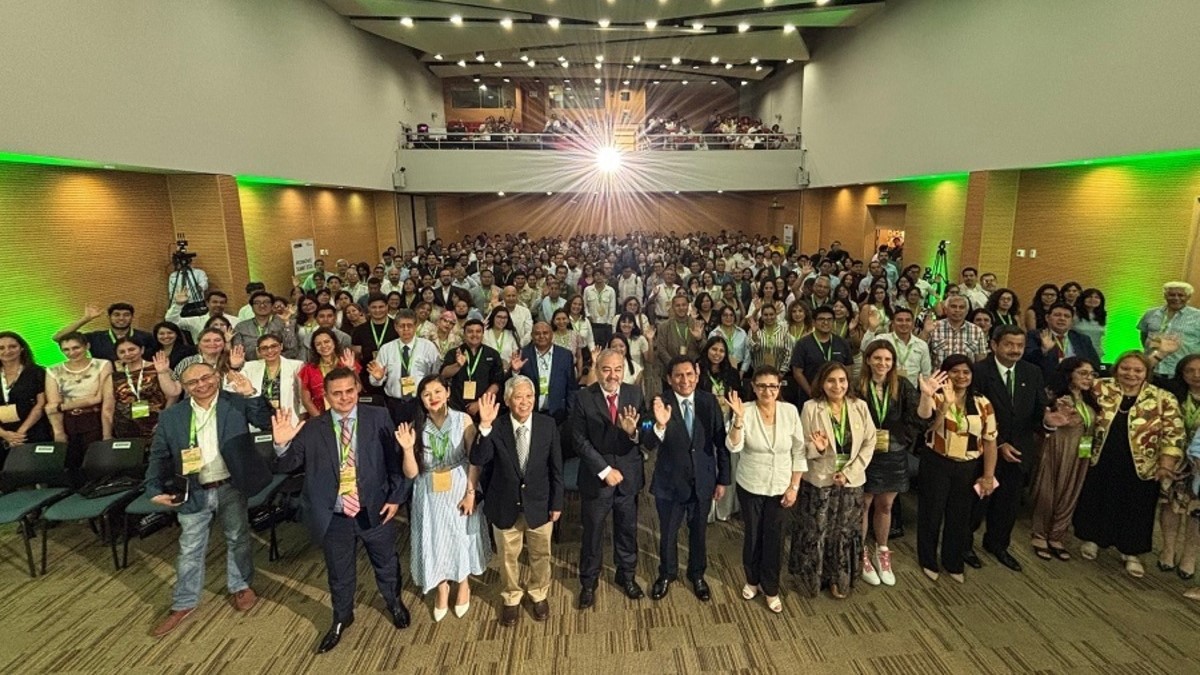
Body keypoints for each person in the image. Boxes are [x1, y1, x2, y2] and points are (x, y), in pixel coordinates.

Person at [270, 367, 410, 652]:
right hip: (335, 516)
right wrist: (281, 444)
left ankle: (394, 602)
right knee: (339, 572)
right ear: (326, 396)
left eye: (350, 391)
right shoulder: (313, 427)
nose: (345, 398)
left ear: (358, 389)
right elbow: (287, 466)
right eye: (337, 393)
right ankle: (341, 617)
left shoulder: (379, 417)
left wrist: (396, 498)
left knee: (386, 563)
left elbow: (394, 463)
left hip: (375, 510)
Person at [144, 364, 274, 638]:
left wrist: (251, 393)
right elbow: (158, 455)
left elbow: (266, 421)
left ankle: (240, 586)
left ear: (216, 377)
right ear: (184, 386)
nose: (201, 384)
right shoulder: (172, 416)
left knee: (237, 538)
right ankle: (184, 603)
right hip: (193, 490)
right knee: (189, 547)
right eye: (192, 382)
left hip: (230, 485)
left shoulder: (237, 403)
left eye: (206, 377)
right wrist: (153, 487)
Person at [1074, 352, 1185, 577]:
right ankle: (1093, 539)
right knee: (1098, 497)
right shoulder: (1099, 387)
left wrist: (1166, 464)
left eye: (1137, 370)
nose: (1131, 374)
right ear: (1116, 369)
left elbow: (1174, 433)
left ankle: (1131, 552)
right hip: (1101, 457)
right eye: (1125, 368)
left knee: (1136, 506)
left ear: (1147, 373)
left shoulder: (1163, 397)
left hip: (1143, 463)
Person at [395, 377, 490, 621]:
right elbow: (412, 472)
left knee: (460, 536)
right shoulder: (417, 425)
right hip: (428, 489)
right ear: (422, 400)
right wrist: (407, 449)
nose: (433, 397)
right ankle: (442, 586)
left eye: (438, 391)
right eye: (427, 394)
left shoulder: (463, 420)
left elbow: (475, 459)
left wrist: (471, 494)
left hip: (459, 482)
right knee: (435, 538)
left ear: (448, 392)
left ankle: (463, 583)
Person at [472, 384, 563, 626]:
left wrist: (557, 503)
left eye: (529, 396)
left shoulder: (547, 425)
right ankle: (511, 597)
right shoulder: (497, 426)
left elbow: (556, 468)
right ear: (508, 400)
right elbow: (479, 459)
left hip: (540, 505)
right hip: (505, 505)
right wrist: (484, 426)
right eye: (518, 396)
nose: (524, 401)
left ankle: (538, 592)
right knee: (507, 557)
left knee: (541, 554)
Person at [644, 356, 734, 603]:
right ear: (669, 379)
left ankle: (697, 575)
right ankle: (666, 574)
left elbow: (720, 442)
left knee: (699, 533)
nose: (685, 380)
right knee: (669, 534)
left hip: (703, 481)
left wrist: (723, 479)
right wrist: (659, 427)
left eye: (689, 374)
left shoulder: (708, 402)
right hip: (670, 483)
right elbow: (647, 442)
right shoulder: (659, 403)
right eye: (679, 376)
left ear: (696, 374)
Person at [856, 341, 938, 587]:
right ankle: (861, 553)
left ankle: (882, 551)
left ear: (893, 363)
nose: (882, 363)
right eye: (878, 358)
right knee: (864, 503)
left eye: (888, 359)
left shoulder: (901, 386)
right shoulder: (857, 386)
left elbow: (921, 418)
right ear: (868, 360)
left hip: (893, 453)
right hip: (865, 454)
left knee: (886, 505)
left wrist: (926, 395)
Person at [791, 361, 875, 598]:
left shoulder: (859, 406)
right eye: (831, 381)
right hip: (820, 480)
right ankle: (813, 579)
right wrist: (816, 448)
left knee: (844, 532)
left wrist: (849, 472)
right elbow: (802, 447)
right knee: (817, 531)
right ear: (822, 383)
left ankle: (838, 578)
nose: (837, 386)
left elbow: (869, 443)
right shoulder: (810, 407)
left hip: (851, 480)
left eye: (842, 380)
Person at [570, 349, 647, 608]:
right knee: (592, 534)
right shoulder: (583, 398)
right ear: (597, 369)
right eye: (606, 369)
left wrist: (634, 431)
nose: (612, 375)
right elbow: (579, 440)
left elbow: (646, 431)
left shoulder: (635, 394)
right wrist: (604, 470)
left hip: (629, 476)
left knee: (627, 530)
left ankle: (627, 576)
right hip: (596, 478)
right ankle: (588, 582)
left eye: (617, 370)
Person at [967, 324, 1047, 572]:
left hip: (1019, 452)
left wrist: (1049, 423)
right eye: (1009, 345)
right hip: (983, 451)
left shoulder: (1032, 372)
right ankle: (964, 546)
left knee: (1008, 504)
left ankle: (998, 544)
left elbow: (1038, 412)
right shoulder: (978, 372)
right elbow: (970, 415)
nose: (1015, 350)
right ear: (994, 345)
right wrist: (999, 442)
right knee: (974, 504)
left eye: (1020, 346)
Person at [726, 366, 805, 613]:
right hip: (751, 484)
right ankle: (752, 579)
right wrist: (738, 420)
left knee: (775, 538)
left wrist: (794, 487)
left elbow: (799, 451)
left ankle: (771, 588)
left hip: (782, 485)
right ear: (754, 387)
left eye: (772, 386)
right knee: (753, 536)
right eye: (761, 386)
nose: (767, 391)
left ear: (779, 387)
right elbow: (733, 447)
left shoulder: (790, 411)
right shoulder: (745, 411)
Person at [918, 354, 999, 583]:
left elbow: (990, 440)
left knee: (959, 517)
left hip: (968, 466)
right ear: (946, 373)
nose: (961, 376)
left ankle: (953, 561)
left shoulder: (983, 403)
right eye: (955, 371)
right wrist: (942, 405)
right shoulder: (937, 394)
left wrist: (988, 475)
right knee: (931, 514)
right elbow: (926, 426)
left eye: (966, 372)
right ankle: (928, 560)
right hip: (937, 462)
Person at [1030, 357, 1098, 562]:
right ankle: (1040, 534)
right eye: (1083, 373)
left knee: (1071, 493)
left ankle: (1057, 535)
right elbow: (1041, 423)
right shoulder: (1056, 397)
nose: (1089, 378)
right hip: (1057, 449)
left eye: (1092, 374)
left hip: (1081, 452)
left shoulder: (1090, 399)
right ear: (1069, 374)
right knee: (1048, 492)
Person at [45, 332, 114, 481]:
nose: (72, 353)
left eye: (76, 348)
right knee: (72, 467)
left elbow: (101, 398)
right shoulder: (53, 370)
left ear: (87, 346)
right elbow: (52, 406)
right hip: (68, 422)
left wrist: (63, 406)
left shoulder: (102, 364)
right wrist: (58, 432)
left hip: (96, 418)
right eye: (66, 350)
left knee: (97, 465)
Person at [1160, 354, 1200, 580]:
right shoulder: (1172, 394)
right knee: (1169, 505)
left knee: (1196, 510)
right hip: (1174, 458)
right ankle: (1168, 549)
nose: (1196, 375)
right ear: (1181, 374)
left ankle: (1189, 556)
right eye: (1190, 371)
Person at [368, 309, 441, 425]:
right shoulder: (386, 349)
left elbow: (437, 375)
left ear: (416, 326)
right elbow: (374, 381)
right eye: (402, 326)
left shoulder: (428, 347)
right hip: (395, 404)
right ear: (396, 327)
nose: (406, 329)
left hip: (420, 402)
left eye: (409, 325)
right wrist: (378, 378)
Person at [110, 337, 178, 439]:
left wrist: (165, 417)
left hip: (159, 424)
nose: (127, 354)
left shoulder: (159, 368)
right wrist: (107, 434)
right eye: (122, 352)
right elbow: (108, 407)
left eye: (132, 349)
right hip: (126, 427)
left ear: (141, 350)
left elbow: (173, 395)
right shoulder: (115, 377)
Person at [0, 332, 52, 464]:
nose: (7, 351)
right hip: (2, 433)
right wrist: (4, 434)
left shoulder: (36, 372)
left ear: (22, 348)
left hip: (31, 429)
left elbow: (40, 404)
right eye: (1, 348)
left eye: (13, 346)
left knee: (36, 470)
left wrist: (20, 433)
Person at [511, 322, 577, 424]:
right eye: (537, 333)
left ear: (552, 335)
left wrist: (571, 414)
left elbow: (571, 388)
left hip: (558, 415)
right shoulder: (522, 354)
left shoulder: (565, 355)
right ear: (532, 336)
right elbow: (512, 387)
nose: (541, 336)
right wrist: (515, 371)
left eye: (545, 333)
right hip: (530, 413)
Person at [1023, 302, 1100, 388]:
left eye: (1066, 316)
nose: (1062, 319)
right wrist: (1043, 350)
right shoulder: (1035, 336)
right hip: (1047, 386)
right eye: (1057, 315)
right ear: (1047, 318)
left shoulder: (1082, 339)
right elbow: (1026, 361)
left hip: (1077, 386)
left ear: (1071, 321)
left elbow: (1095, 364)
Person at [439, 319, 504, 416]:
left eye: (478, 331)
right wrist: (458, 365)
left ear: (483, 334)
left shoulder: (492, 354)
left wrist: (479, 403)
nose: (474, 335)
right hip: (457, 406)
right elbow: (443, 374)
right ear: (464, 334)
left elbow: (497, 383)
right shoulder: (454, 352)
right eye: (470, 331)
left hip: (483, 406)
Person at [237, 334, 303, 426]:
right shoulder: (249, 367)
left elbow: (303, 397)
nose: (270, 351)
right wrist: (234, 367)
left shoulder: (297, 366)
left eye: (274, 346)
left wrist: (302, 420)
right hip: (258, 420)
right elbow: (233, 386)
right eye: (264, 348)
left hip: (289, 420)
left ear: (281, 346)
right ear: (258, 351)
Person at [790, 305, 853, 401]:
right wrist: (811, 393)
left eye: (829, 319)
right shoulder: (802, 344)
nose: (825, 322)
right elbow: (797, 373)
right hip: (810, 397)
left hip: (837, 395)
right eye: (821, 319)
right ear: (814, 322)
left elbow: (848, 369)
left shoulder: (842, 343)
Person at [54, 302, 155, 362]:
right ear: (109, 317)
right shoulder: (96, 337)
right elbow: (58, 337)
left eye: (126, 315)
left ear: (132, 317)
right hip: (104, 381)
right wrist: (86, 319)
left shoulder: (146, 337)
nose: (121, 318)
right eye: (116, 315)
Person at [1139, 281, 1200, 381]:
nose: (1176, 298)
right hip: (1150, 369)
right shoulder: (1150, 313)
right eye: (1172, 295)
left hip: (1181, 372)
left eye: (1181, 295)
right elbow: (1143, 335)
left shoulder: (1198, 316)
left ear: (1188, 297)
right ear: (1165, 295)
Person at [862, 307, 932, 388]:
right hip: (885, 388)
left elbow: (926, 374)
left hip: (911, 390)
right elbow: (864, 348)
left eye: (908, 320)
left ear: (913, 324)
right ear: (893, 323)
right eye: (899, 320)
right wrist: (872, 329)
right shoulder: (883, 339)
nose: (904, 323)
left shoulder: (921, 345)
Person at [298, 329, 359, 417]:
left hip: (349, 412)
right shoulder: (308, 369)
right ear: (314, 348)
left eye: (326, 342)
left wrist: (350, 369)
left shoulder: (346, 361)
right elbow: (306, 401)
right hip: (320, 415)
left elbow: (359, 388)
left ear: (334, 342)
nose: (323, 346)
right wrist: (321, 421)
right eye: (318, 344)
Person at [232, 291, 298, 360]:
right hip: (250, 367)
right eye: (257, 303)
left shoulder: (282, 323)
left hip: (279, 365)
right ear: (252, 307)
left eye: (266, 302)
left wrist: (286, 323)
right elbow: (237, 353)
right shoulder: (241, 327)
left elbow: (292, 349)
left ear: (272, 306)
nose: (262, 305)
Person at [655, 295, 706, 381]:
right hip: (671, 372)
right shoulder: (663, 327)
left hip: (692, 372)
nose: (681, 308)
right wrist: (674, 366)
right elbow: (661, 350)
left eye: (684, 305)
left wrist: (699, 339)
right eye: (677, 305)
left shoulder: (697, 324)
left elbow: (705, 349)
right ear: (673, 307)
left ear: (688, 306)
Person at [929, 296, 989, 365]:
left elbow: (981, 361)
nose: (957, 310)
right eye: (953, 306)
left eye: (961, 307)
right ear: (946, 310)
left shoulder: (977, 331)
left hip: (965, 375)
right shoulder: (934, 327)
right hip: (939, 374)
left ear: (967, 311)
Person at [167, 290, 239, 343]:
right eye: (215, 302)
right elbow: (171, 322)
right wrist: (178, 305)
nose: (218, 305)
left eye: (222, 303)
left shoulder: (235, 321)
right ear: (207, 303)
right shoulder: (196, 321)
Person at [709, 306, 749, 375]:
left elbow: (747, 354)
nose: (728, 318)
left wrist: (742, 371)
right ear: (720, 317)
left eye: (731, 315)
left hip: (739, 369)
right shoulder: (714, 334)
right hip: (719, 369)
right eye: (725, 315)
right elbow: (709, 354)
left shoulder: (742, 332)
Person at [1073, 288, 1108, 362]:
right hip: (1077, 353)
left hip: (1096, 353)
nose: (1093, 299)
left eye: (1096, 297)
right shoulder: (1074, 313)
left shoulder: (1101, 316)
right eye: (1089, 297)